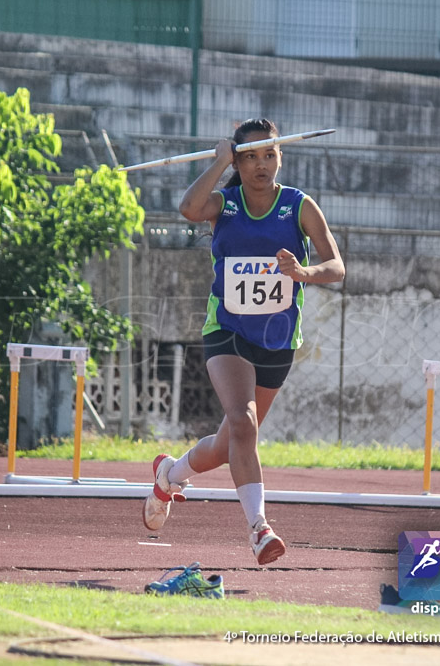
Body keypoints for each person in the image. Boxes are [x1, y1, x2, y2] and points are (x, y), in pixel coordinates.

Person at [142, 118, 345, 564]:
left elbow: (337, 267)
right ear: (237, 159)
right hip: (227, 331)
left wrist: (303, 273)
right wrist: (217, 163)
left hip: (276, 341)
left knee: (230, 440)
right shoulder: (225, 203)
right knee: (243, 421)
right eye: (250, 155)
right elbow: (189, 209)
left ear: (281, 156)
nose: (261, 164)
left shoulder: (298, 206)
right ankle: (259, 530)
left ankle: (170, 474)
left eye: (269, 154)